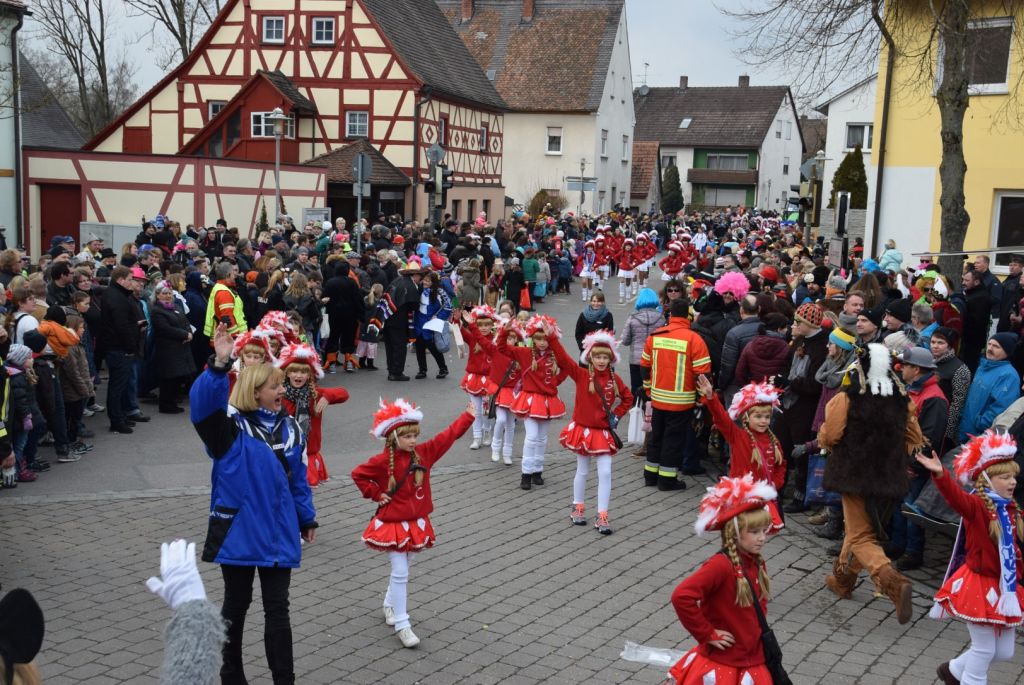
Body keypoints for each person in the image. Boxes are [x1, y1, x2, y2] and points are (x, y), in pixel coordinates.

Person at [189, 323, 318, 685]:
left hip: (279, 532)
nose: (282, 390)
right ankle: (231, 676)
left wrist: (306, 517)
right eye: (275, 386)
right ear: (255, 391)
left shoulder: (291, 429)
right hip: (239, 531)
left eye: (281, 385)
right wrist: (218, 365)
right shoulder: (228, 430)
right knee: (236, 605)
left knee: (278, 609)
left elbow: (298, 479)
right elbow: (202, 406)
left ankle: (284, 679)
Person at [351, 397, 475, 648]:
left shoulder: (424, 453)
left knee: (405, 566)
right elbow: (358, 475)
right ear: (393, 437)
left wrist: (469, 416)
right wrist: (376, 494)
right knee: (400, 572)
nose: (413, 440)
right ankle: (402, 624)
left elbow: (448, 436)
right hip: (393, 524)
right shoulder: (382, 461)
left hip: (417, 523)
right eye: (407, 436)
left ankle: (389, 604)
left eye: (415, 435)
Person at [820, 343, 924, 624]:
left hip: (854, 475)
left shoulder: (848, 397)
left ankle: (893, 582)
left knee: (861, 536)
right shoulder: (902, 399)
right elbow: (914, 437)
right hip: (889, 477)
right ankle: (843, 581)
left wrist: (823, 437)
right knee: (861, 529)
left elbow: (831, 435)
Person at [916, 432, 1024, 685]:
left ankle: (953, 671)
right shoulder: (976, 506)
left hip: (1005, 587)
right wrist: (940, 474)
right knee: (984, 650)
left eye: (1014, 477)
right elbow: (956, 497)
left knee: (1004, 652)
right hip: (980, 585)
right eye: (1005, 477)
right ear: (987, 480)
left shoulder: (1011, 508)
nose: (1012, 482)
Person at [668, 475, 779, 685]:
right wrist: (707, 633)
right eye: (754, 532)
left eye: (764, 531)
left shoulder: (755, 560)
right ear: (734, 533)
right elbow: (681, 596)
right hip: (724, 661)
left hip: (753, 655)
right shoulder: (720, 565)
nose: (762, 537)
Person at [553, 330, 633, 534]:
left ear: (611, 359)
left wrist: (616, 415)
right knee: (582, 470)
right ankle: (578, 506)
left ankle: (602, 514)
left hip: (603, 433)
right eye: (597, 357)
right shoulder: (581, 375)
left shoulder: (615, 379)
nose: (601, 361)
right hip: (583, 431)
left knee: (605, 472)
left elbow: (628, 398)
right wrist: (551, 337)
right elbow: (563, 358)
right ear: (590, 357)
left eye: (605, 357)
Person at [696, 377, 785, 531]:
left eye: (767, 417)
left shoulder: (774, 441)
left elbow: (781, 465)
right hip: (741, 501)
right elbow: (722, 418)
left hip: (762, 500)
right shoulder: (738, 436)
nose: (763, 421)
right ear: (746, 418)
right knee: (739, 534)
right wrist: (711, 397)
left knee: (756, 535)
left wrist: (774, 485)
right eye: (758, 417)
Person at [641, 298, 712, 489]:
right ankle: (667, 480)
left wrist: (648, 389)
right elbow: (702, 374)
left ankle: (650, 475)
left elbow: (645, 367)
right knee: (673, 440)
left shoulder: (655, 336)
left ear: (670, 314)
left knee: (656, 437)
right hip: (681, 402)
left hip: (658, 398)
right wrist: (702, 398)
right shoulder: (694, 339)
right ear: (688, 316)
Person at [497, 314, 569, 490]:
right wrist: (504, 333)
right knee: (531, 437)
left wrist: (554, 382)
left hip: (547, 401)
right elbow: (502, 349)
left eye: (545, 338)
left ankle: (538, 470)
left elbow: (567, 367)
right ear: (532, 338)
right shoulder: (525, 353)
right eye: (538, 338)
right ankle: (526, 474)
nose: (542, 342)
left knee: (542, 438)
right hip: (530, 400)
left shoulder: (555, 356)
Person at [779, 302, 828, 512]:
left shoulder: (822, 346)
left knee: (801, 452)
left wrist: (791, 383)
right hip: (788, 403)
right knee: (782, 446)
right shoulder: (799, 339)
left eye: (798, 322)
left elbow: (815, 384)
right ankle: (777, 489)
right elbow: (786, 364)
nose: (794, 325)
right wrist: (782, 380)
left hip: (806, 408)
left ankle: (801, 496)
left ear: (810, 324)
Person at [278, 343, 349, 487]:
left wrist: (327, 396)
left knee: (305, 492)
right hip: (284, 452)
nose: (298, 375)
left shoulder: (314, 394)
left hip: (308, 453)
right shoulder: (279, 394)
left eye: (303, 372)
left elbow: (344, 393)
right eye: (294, 371)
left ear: (309, 376)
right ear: (287, 373)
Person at [959, 332, 1021, 443]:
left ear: (1007, 351)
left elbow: (1001, 407)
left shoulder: (1009, 375)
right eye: (989, 344)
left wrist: (980, 423)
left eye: (996, 346)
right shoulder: (983, 366)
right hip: (965, 428)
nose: (990, 348)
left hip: (980, 435)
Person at [369, 261, 424, 382]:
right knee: (399, 347)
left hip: (387, 317)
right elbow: (414, 305)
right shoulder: (410, 286)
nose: (421, 279)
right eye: (420, 276)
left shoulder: (397, 281)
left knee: (390, 346)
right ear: (415, 275)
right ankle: (397, 372)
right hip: (398, 321)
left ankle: (391, 370)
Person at [150, 283, 196, 414]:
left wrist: (189, 333)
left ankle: (172, 402)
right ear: (158, 295)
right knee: (168, 378)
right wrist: (184, 335)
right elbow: (165, 329)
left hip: (181, 347)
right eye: (164, 293)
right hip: (168, 349)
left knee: (177, 377)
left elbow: (186, 322)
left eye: (169, 293)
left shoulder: (176, 307)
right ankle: (166, 405)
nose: (168, 296)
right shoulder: (157, 311)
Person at [457, 306, 499, 450]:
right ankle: (477, 437)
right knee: (475, 410)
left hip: (489, 380)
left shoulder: (495, 340)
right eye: (480, 325)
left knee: (486, 410)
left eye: (487, 325)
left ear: (492, 325)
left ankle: (487, 433)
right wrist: (456, 320)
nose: (484, 328)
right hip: (474, 378)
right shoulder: (472, 338)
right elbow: (460, 332)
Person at [620, 288, 666, 401]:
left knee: (636, 386)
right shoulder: (661, 318)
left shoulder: (632, 318)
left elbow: (625, 341)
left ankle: (636, 406)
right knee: (652, 386)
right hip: (654, 358)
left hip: (636, 359)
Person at [932, 327, 971, 450]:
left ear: (949, 346)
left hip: (942, 423)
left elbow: (957, 403)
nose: (935, 346)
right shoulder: (930, 361)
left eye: (940, 343)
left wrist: (947, 432)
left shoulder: (960, 369)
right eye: (933, 342)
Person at [322, 261, 364, 373]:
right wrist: (361, 314)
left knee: (333, 337)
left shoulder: (330, 282)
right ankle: (349, 361)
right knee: (349, 337)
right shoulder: (352, 282)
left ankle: (331, 363)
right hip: (350, 315)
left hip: (333, 315)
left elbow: (325, 297)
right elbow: (358, 299)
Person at [411, 270, 451, 381]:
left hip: (431, 323)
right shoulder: (418, 289)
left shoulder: (440, 292)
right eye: (424, 280)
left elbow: (448, 307)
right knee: (419, 347)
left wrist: (438, 317)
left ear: (433, 282)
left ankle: (443, 368)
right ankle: (422, 370)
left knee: (433, 347)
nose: (425, 282)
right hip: (419, 321)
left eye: (428, 281)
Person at [961, 268, 992, 374]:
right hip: (970, 339)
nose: (963, 283)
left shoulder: (980, 298)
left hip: (972, 341)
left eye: (967, 280)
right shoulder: (972, 294)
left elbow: (977, 322)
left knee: (969, 366)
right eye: (963, 280)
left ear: (976, 282)